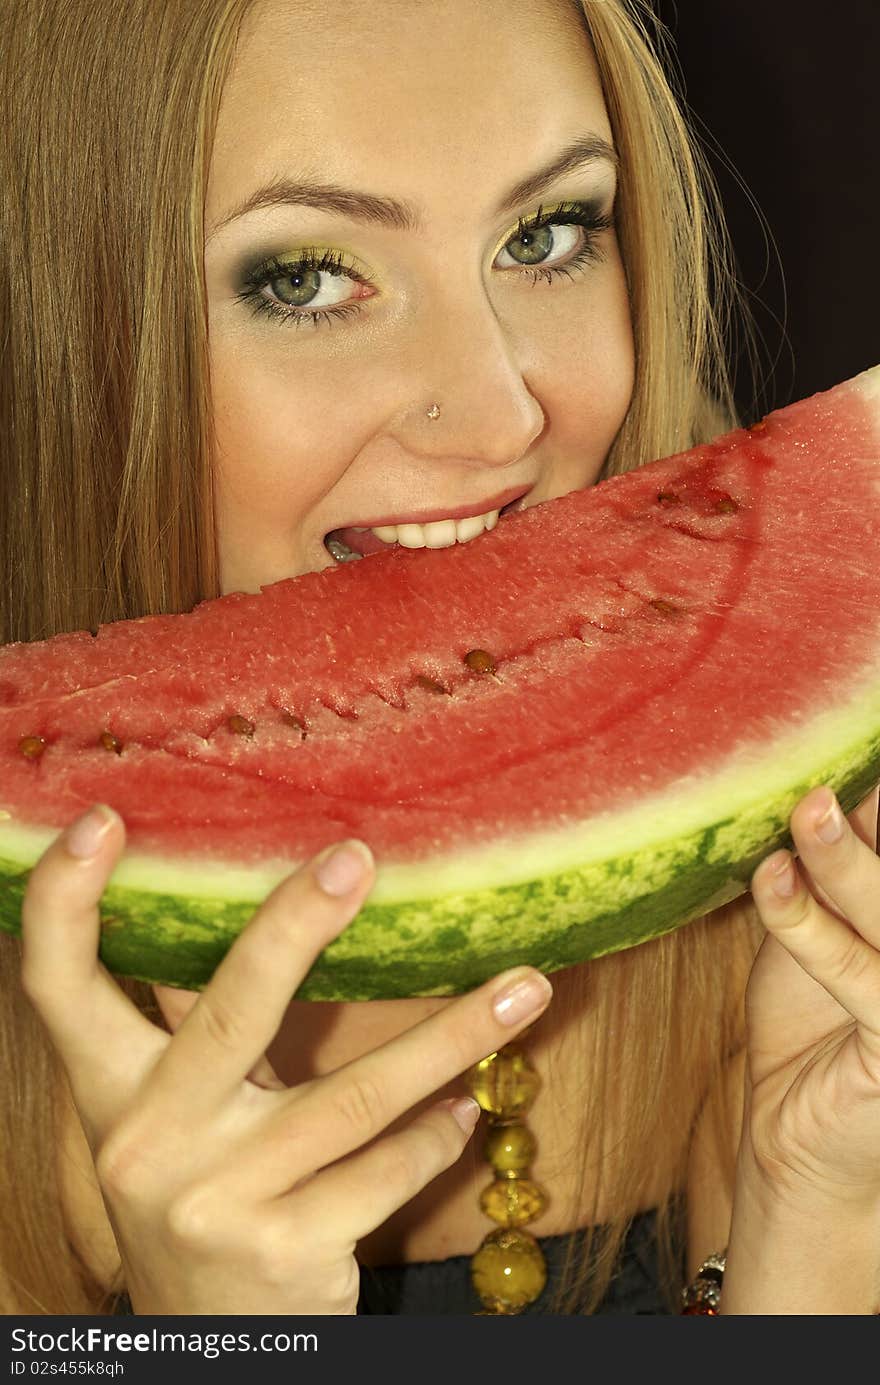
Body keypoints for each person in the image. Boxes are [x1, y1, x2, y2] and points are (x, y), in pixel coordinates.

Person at [1, 0, 878, 1317]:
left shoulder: (814, 876)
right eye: (300, 278)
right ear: (59, 323)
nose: (501, 413)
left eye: (547, 235)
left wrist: (816, 1233)